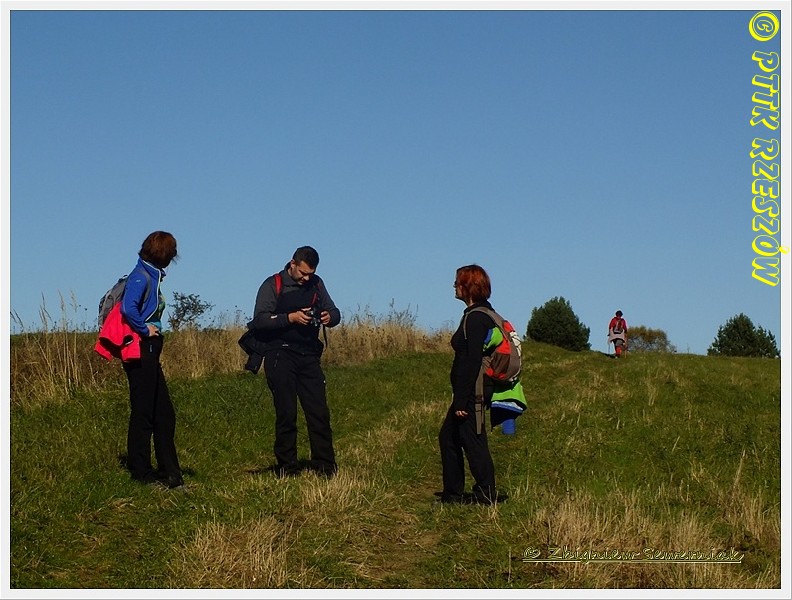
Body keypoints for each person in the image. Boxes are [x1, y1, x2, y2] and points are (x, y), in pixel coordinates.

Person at [248, 246, 341, 478]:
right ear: (292, 264)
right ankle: (287, 467)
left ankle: (325, 466)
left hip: (309, 355)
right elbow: (259, 320)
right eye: (302, 273)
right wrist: (290, 318)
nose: (306, 278)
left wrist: (329, 317)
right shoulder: (272, 284)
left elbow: (334, 312)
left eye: (310, 274)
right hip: (279, 355)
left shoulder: (317, 284)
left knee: (319, 412)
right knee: (286, 413)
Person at [438, 264, 507, 505]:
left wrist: (461, 400)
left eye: (458, 282)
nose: (454, 286)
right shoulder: (482, 314)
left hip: (473, 389)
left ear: (468, 287)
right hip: (474, 388)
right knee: (450, 437)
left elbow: (471, 360)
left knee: (473, 439)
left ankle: (484, 493)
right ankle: (454, 494)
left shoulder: (476, 318)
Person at [120, 231, 184, 489]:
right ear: (165, 254)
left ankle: (169, 473)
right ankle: (141, 472)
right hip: (141, 348)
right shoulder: (141, 276)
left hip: (149, 349)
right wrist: (145, 329)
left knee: (163, 413)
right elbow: (128, 307)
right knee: (144, 411)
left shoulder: (149, 274)